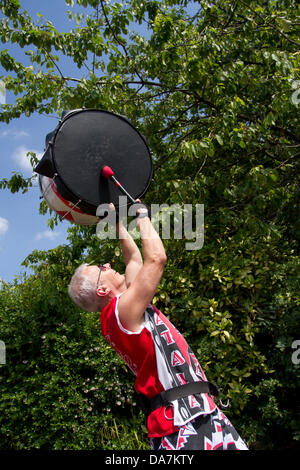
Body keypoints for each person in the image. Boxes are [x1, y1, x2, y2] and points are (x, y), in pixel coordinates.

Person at [68, 203, 248, 450]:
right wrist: (142, 216)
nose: (108, 264)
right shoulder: (119, 313)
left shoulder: (123, 307)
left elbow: (134, 258)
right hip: (181, 423)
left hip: (201, 412)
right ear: (102, 290)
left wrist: (116, 222)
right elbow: (156, 258)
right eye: (101, 268)